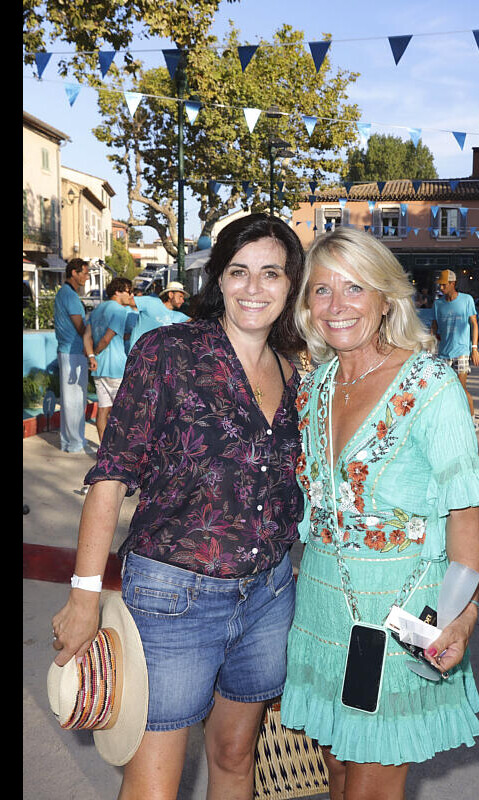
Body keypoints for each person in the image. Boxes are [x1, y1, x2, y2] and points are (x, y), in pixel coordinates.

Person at [51, 213, 306, 800]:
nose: (254, 287)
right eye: (239, 271)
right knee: (153, 784)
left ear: (291, 284)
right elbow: (111, 476)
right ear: (217, 279)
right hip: (174, 598)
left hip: (268, 594)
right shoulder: (168, 352)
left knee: (236, 758)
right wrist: (84, 594)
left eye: (271, 273)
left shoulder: (293, 370)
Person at [280, 227, 479, 800]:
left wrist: (463, 614)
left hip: (402, 605)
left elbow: (464, 512)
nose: (337, 306)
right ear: (306, 304)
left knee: (373, 783)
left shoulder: (430, 384)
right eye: (321, 290)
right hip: (324, 603)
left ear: (385, 298)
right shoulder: (313, 388)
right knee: (336, 769)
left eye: (355, 288)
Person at [83, 277, 135, 442]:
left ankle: (103, 451)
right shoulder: (119, 310)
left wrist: (92, 356)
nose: (131, 295)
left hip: (99, 369)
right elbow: (107, 339)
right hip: (116, 368)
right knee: (123, 413)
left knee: (103, 410)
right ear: (118, 291)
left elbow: (87, 336)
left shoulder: (97, 309)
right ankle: (119, 451)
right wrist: (97, 351)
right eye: (128, 291)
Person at [431, 269, 479, 430]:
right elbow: (434, 326)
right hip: (443, 353)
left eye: (444, 284)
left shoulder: (467, 300)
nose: (441, 288)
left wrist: (474, 348)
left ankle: (471, 420)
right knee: (442, 389)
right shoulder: (438, 304)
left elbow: (474, 324)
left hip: (461, 352)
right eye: (440, 285)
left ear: (453, 283)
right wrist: (429, 346)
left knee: (460, 388)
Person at [53, 258, 91, 453]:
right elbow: (81, 328)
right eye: (85, 272)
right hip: (73, 352)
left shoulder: (64, 293)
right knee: (75, 399)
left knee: (71, 399)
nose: (87, 276)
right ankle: (75, 442)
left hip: (67, 351)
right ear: (74, 273)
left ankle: (69, 441)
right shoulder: (71, 296)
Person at [127, 280, 192, 351]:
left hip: (155, 358)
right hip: (137, 355)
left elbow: (197, 323)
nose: (183, 300)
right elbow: (127, 301)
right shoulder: (151, 302)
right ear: (171, 294)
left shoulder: (179, 316)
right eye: (180, 296)